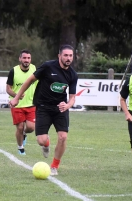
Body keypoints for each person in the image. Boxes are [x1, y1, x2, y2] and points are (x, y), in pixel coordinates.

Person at [10, 45, 78, 176]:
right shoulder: (48, 67)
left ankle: (54, 166)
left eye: (70, 56)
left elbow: (73, 98)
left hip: (60, 109)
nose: (68, 58)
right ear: (59, 56)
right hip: (43, 107)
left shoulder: (73, 74)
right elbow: (29, 80)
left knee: (63, 137)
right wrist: (16, 98)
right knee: (41, 140)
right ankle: (46, 145)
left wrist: (67, 106)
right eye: (66, 55)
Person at [6, 49, 38, 155]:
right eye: (24, 58)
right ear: (20, 59)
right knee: (19, 127)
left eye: (28, 58)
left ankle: (24, 134)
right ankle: (20, 148)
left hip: (31, 103)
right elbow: (8, 89)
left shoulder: (34, 69)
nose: (26, 60)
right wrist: (17, 96)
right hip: (17, 105)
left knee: (31, 127)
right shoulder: (13, 71)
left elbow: (38, 84)